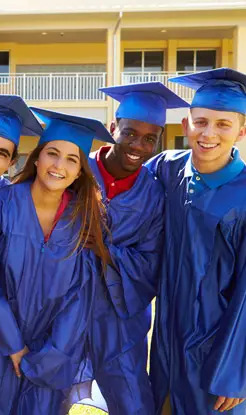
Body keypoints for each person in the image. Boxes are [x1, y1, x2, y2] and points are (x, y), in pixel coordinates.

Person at [0, 108, 114, 414]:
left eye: (71, 159)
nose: (58, 165)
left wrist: (53, 353)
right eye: (52, 153)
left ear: (79, 172)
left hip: (54, 353)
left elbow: (82, 295)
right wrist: (13, 345)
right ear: (36, 158)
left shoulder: (85, 218)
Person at [78, 82, 188, 415]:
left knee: (134, 402)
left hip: (120, 319)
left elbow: (152, 262)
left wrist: (103, 249)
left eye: (149, 138)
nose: (137, 145)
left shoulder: (155, 195)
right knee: (43, 396)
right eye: (129, 133)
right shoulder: (75, 171)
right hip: (63, 307)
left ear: (159, 140)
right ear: (113, 128)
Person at [146, 68, 246, 414]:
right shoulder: (166, 168)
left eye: (223, 125)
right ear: (187, 125)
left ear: (241, 131)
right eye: (201, 121)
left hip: (216, 352)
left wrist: (236, 372)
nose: (209, 134)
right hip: (166, 342)